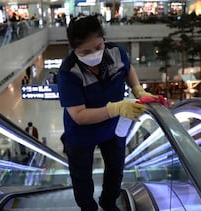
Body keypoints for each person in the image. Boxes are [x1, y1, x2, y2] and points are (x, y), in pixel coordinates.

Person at [57, 15, 155, 211]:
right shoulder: (69, 72)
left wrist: (138, 89)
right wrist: (115, 108)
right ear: (73, 49)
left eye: (98, 47)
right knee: (82, 177)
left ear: (104, 40)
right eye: (85, 51)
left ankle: (108, 202)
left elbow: (128, 69)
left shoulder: (116, 53)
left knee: (116, 169)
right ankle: (88, 208)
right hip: (81, 133)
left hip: (113, 127)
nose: (94, 54)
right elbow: (79, 115)